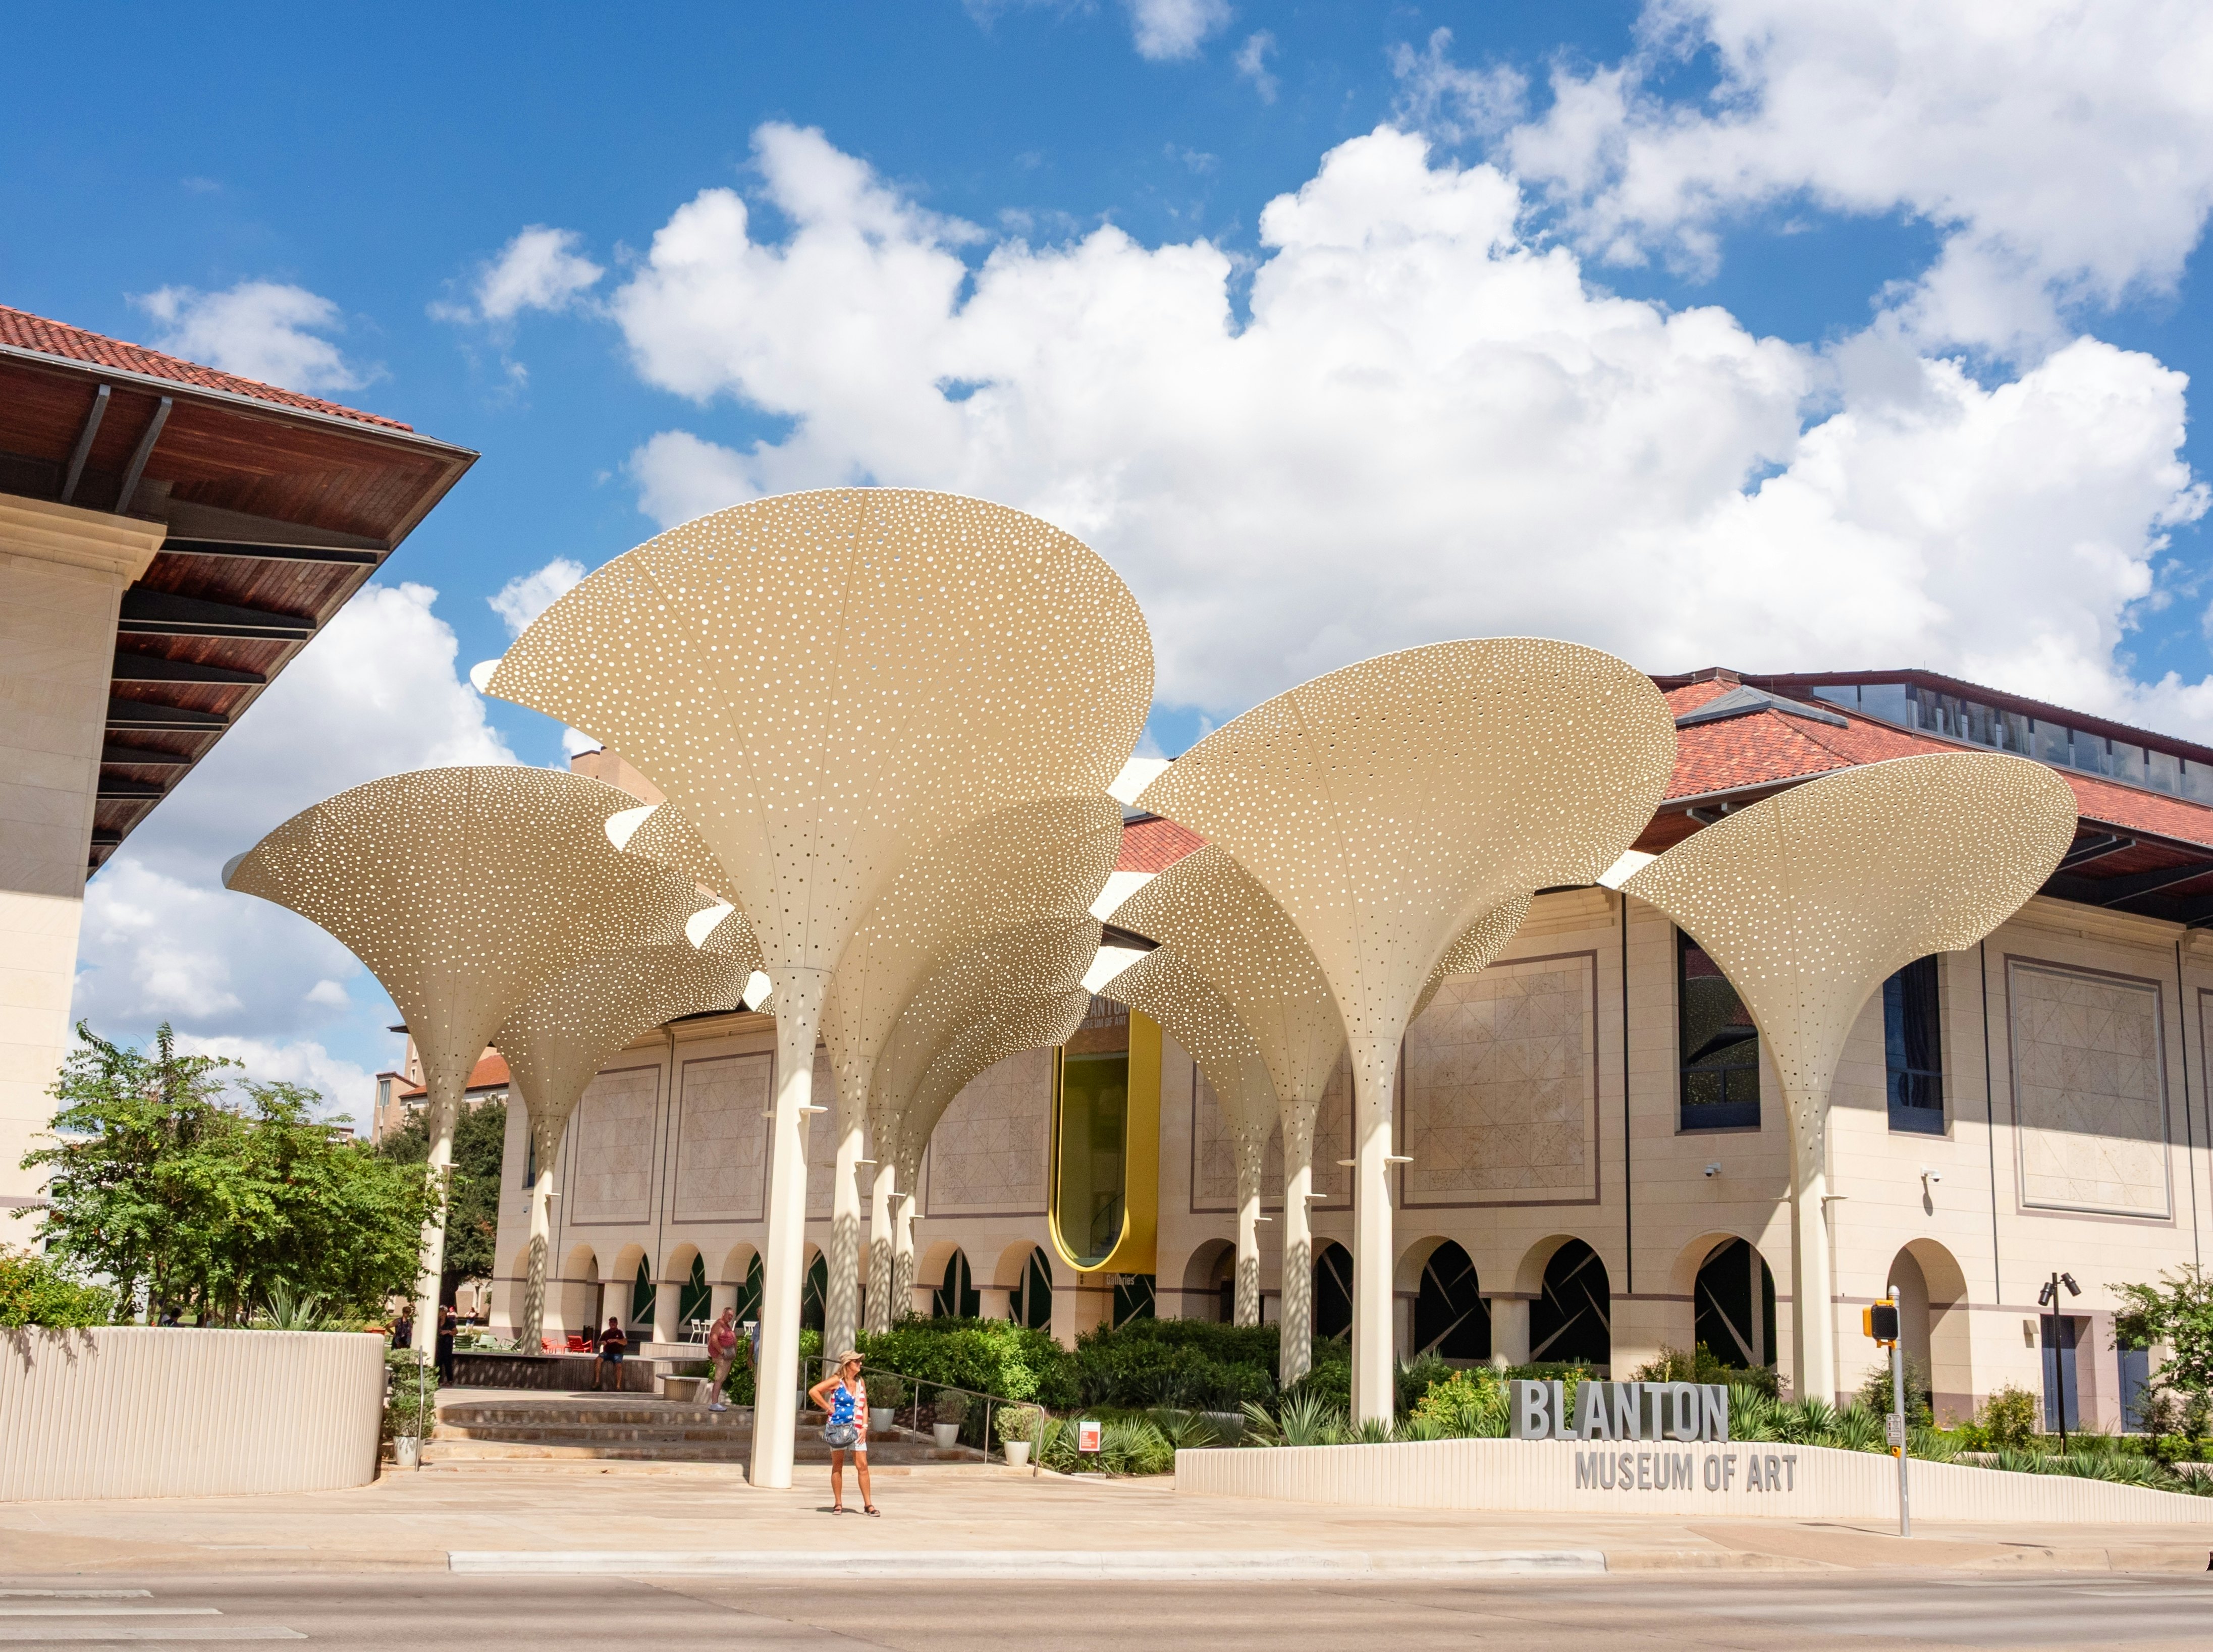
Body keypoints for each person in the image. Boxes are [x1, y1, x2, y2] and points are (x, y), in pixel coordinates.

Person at [807, 1350, 878, 1516]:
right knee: (838, 1466)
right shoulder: (836, 1381)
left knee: (863, 1466)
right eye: (856, 1362)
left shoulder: (861, 1382)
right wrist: (827, 1406)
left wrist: (865, 1426)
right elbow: (814, 1391)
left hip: (857, 1429)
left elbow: (865, 1405)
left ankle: (868, 1504)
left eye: (860, 1361)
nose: (860, 1364)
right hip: (838, 1428)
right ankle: (838, 1503)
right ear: (848, 1364)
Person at [705, 1307, 740, 1412]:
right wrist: (722, 1352)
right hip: (721, 1358)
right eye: (729, 1315)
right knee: (719, 1379)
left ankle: (715, 1403)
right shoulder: (718, 1325)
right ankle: (714, 1403)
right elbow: (714, 1339)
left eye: (732, 1316)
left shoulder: (726, 1325)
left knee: (721, 1379)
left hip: (728, 1357)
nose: (730, 1318)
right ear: (723, 1313)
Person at [593, 1315, 627, 1391]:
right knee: (598, 1360)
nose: (613, 1324)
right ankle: (597, 1381)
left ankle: (618, 1386)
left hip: (617, 1354)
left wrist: (616, 1340)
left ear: (617, 1323)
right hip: (607, 1353)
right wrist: (602, 1342)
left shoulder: (620, 1332)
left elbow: (625, 1342)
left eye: (614, 1322)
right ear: (609, 1323)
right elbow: (597, 1343)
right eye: (611, 1322)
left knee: (619, 1366)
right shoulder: (606, 1333)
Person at [435, 1304, 457, 1384]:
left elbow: (455, 1332)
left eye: (441, 1311)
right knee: (438, 1362)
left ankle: (450, 1380)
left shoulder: (450, 1322)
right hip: (439, 1344)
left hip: (447, 1344)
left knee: (447, 1362)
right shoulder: (436, 1321)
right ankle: (438, 1379)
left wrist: (448, 1332)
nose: (439, 1313)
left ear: (444, 1312)